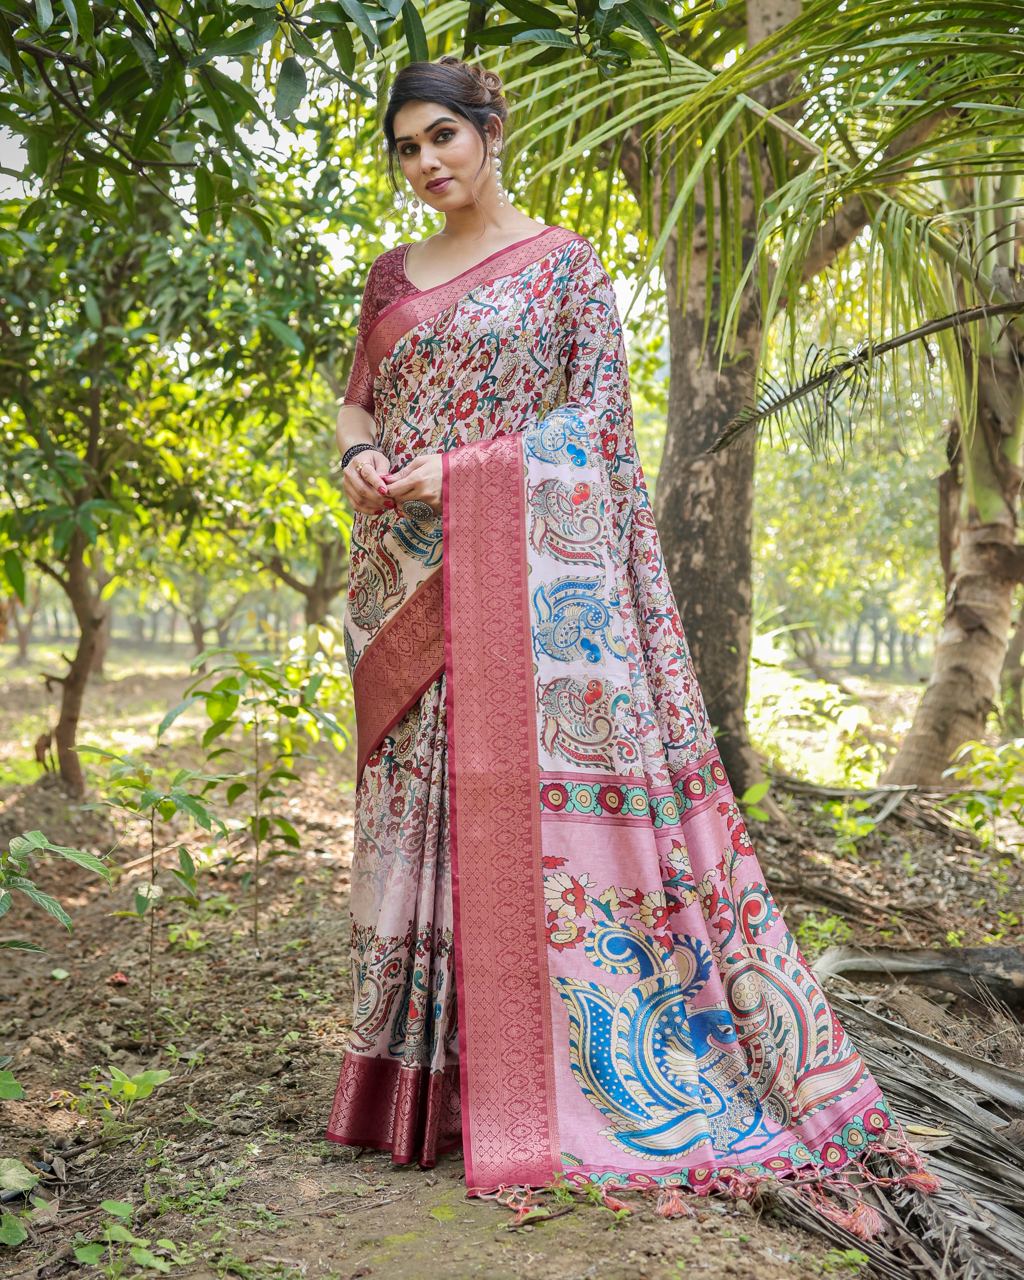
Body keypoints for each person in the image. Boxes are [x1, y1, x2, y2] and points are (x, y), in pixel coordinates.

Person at [326, 55, 934, 1225]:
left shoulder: (561, 267)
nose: (424, 164)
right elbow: (358, 399)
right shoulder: (389, 275)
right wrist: (355, 455)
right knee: (417, 822)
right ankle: (420, 1082)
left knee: (519, 824)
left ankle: (547, 1085)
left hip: (524, 589)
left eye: (442, 136)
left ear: (492, 132)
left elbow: (595, 432)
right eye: (405, 147)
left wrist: (454, 472)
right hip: (404, 584)